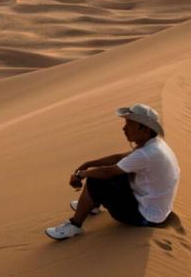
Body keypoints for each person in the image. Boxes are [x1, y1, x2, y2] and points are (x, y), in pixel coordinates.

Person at [45, 103, 180, 240]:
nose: (124, 128)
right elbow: (118, 158)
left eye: (130, 124)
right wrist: (88, 164)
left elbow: (107, 173)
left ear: (144, 129)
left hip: (145, 217)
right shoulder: (154, 144)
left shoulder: (147, 153)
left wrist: (81, 175)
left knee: (96, 179)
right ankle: (92, 203)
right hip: (154, 207)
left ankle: (74, 225)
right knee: (114, 172)